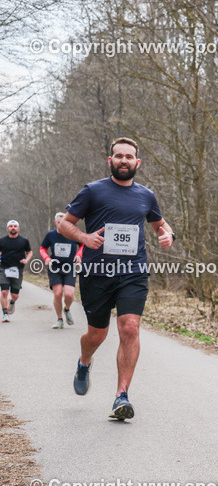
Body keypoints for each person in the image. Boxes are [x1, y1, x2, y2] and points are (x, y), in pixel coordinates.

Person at [59, 137, 175, 420]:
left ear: (138, 162)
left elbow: (160, 223)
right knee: (97, 334)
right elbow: (64, 224)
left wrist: (168, 234)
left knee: (130, 327)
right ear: (110, 160)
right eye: (119, 156)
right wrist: (85, 237)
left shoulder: (146, 195)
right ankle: (85, 361)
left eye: (129, 156)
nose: (124, 160)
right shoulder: (93, 191)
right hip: (96, 273)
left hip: (132, 272)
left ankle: (121, 396)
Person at [40, 212, 84, 329]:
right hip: (55, 267)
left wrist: (79, 255)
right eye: (59, 223)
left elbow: (83, 245)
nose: (61, 225)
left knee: (69, 295)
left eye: (64, 223)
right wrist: (47, 258)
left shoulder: (73, 234)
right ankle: (59, 319)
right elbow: (42, 248)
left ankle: (67, 309)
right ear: (56, 223)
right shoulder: (51, 235)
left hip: (70, 267)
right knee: (58, 293)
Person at [0, 220, 32, 323]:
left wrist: (26, 260)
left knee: (15, 295)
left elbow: (29, 252)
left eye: (15, 226)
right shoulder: (2, 241)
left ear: (18, 228)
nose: (13, 228)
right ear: (7, 228)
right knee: (4, 291)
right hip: (4, 269)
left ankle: (12, 302)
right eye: (10, 226)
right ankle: (5, 314)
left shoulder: (24, 241)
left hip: (18, 269)